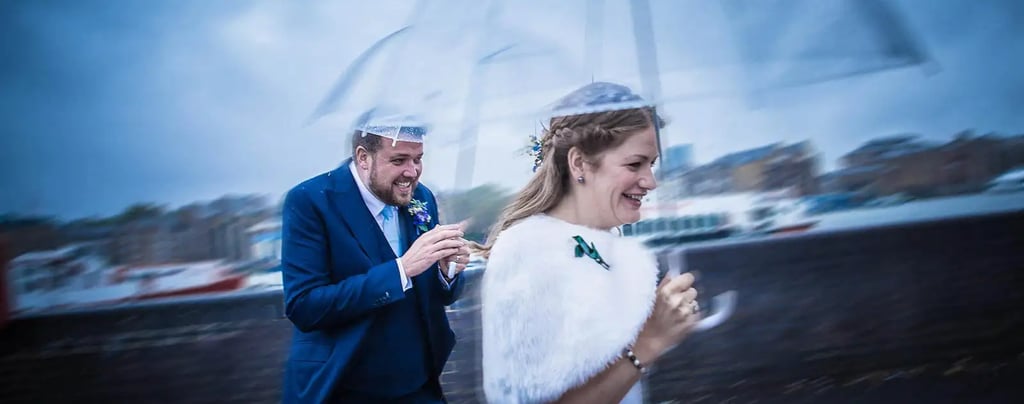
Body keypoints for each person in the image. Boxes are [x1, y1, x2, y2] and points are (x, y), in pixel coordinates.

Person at [478, 82, 702, 404]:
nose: (650, 182)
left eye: (651, 165)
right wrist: (650, 341)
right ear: (580, 164)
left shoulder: (609, 246)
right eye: (634, 164)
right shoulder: (528, 253)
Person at [280, 112, 472, 403]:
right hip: (343, 387)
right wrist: (401, 270)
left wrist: (447, 273)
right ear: (363, 157)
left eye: (418, 159)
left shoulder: (422, 198)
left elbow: (438, 295)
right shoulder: (310, 201)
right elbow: (304, 306)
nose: (412, 172)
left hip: (419, 386)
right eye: (399, 160)